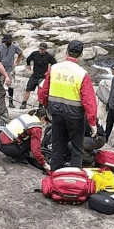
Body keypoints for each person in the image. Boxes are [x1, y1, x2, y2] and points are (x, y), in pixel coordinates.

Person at [38, 40, 97, 171]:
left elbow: (44, 91)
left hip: (56, 113)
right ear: (81, 55)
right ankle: (74, 176)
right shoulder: (82, 73)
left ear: (66, 52)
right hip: (75, 116)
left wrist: (46, 106)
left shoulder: (54, 68)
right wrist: (92, 122)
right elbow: (89, 101)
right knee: (77, 148)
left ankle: (55, 175)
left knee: (58, 145)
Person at [0, 107, 50, 171]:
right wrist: (44, 164)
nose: (46, 123)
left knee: (29, 138)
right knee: (33, 141)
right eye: (47, 121)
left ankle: (19, 153)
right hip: (7, 147)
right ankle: (19, 156)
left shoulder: (27, 116)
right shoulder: (36, 128)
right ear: (43, 118)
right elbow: (35, 151)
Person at [21, 42, 56, 109]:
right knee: (28, 89)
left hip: (43, 77)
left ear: (45, 49)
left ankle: (40, 105)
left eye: (42, 49)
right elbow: (28, 59)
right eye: (40, 49)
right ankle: (24, 103)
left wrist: (49, 72)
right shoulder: (35, 54)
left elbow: (55, 64)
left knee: (41, 92)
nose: (41, 50)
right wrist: (28, 66)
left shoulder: (49, 56)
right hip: (34, 75)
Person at [0, 34, 23, 108]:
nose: (9, 42)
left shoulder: (14, 46)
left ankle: (11, 102)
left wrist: (17, 61)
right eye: (7, 41)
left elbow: (20, 53)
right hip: (1, 69)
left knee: (11, 86)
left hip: (10, 68)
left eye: (10, 40)